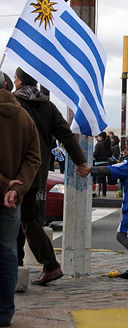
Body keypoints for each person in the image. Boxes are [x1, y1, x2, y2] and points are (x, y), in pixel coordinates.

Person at [13, 67, 87, 286]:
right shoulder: (48, 105)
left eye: (16, 78)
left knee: (23, 220)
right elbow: (65, 134)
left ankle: (46, 265)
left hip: (17, 171)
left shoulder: (14, 104)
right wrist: (80, 161)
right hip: (37, 171)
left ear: (18, 81)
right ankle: (19, 266)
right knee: (23, 219)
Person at [77, 136, 128, 280]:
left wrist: (90, 170)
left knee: (120, 236)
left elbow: (111, 169)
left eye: (127, 147)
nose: (124, 149)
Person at [0, 73, 41, 326]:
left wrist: (5, 185)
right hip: (12, 199)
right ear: (7, 86)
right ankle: (4, 313)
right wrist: (16, 188)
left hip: (7, 191)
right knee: (7, 252)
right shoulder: (24, 117)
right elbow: (33, 158)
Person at [93, 131, 112, 196]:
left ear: (100, 137)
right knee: (104, 180)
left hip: (98, 163)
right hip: (105, 163)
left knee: (98, 179)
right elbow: (110, 154)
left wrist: (94, 155)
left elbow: (95, 154)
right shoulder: (107, 144)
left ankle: (97, 192)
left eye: (98, 136)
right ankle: (104, 193)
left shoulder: (98, 144)